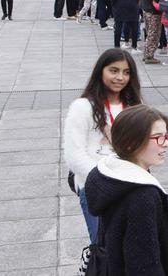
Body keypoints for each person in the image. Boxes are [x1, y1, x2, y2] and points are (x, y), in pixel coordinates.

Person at [84, 105, 168, 276]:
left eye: (167, 136)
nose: (166, 143)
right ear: (131, 143)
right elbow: (143, 265)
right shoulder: (143, 196)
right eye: (158, 137)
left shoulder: (113, 176)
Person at [62, 49, 145, 251]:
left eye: (126, 72)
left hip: (131, 187)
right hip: (96, 188)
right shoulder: (83, 107)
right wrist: (105, 180)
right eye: (113, 70)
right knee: (105, 250)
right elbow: (74, 155)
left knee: (130, 249)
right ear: (101, 71)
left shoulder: (135, 106)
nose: (120, 77)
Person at [140, 0, 166, 64]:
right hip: (154, 13)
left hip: (147, 11)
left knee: (149, 33)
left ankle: (147, 54)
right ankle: (149, 55)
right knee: (153, 34)